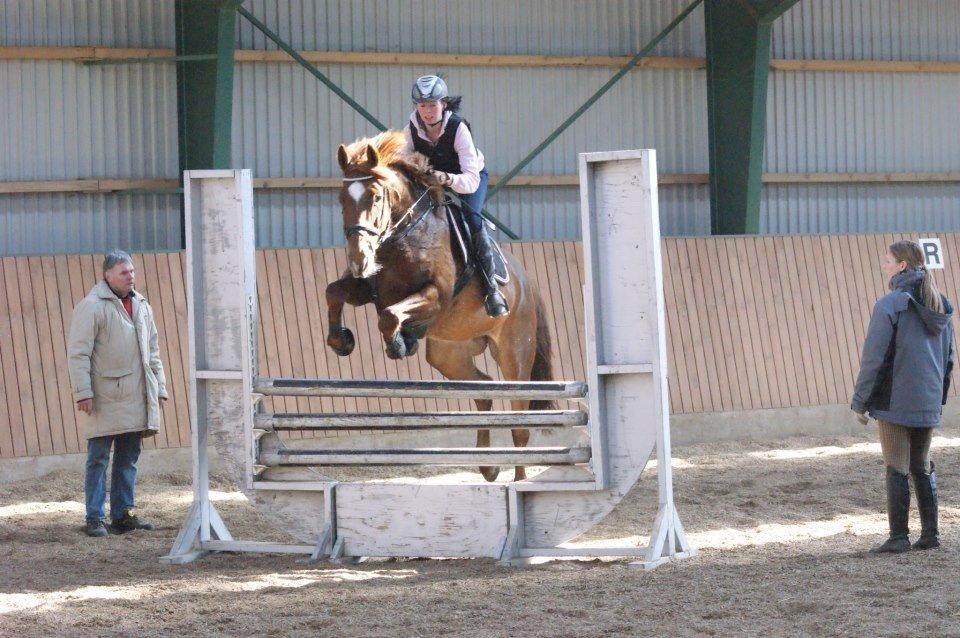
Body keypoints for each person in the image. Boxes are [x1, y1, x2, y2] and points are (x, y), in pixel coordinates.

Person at [852, 240, 954, 554]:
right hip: (927, 399)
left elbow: (875, 357)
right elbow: (949, 358)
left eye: (887, 261)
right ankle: (931, 535)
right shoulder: (940, 305)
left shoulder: (889, 305)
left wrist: (861, 399)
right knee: (920, 465)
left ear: (902, 266)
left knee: (896, 465)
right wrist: (938, 399)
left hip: (896, 401)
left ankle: (899, 537)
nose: (884, 266)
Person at [68, 250, 168, 537]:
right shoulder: (91, 307)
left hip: (136, 394)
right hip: (104, 396)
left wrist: (159, 387)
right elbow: (78, 354)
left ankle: (124, 514)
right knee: (98, 457)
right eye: (124, 273)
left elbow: (153, 352)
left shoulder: (142, 305)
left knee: (128, 456)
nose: (131, 277)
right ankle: (95, 518)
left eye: (132, 272)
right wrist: (83, 392)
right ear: (108, 275)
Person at [404, 74, 509, 317]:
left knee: (472, 219)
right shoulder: (411, 127)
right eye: (422, 106)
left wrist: (447, 179)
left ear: (444, 104)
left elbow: (471, 181)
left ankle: (491, 289)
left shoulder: (458, 128)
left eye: (432, 105)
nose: (427, 112)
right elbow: (403, 163)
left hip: (468, 179)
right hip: (433, 180)